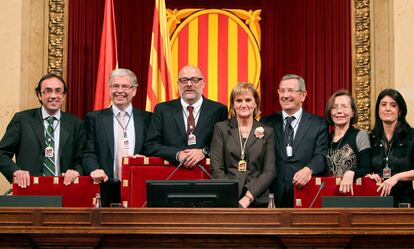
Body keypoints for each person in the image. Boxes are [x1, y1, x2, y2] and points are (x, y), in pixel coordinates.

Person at [0, 73, 85, 187]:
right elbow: (2, 153)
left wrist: (76, 171)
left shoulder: (76, 123)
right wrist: (15, 172)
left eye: (58, 91)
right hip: (29, 189)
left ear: (63, 95)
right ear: (39, 95)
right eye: (48, 91)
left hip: (65, 189)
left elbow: (82, 158)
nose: (53, 96)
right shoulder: (22, 120)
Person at [83, 68, 151, 207]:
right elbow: (88, 152)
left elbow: (153, 148)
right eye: (115, 86)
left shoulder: (148, 118)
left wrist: (145, 159)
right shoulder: (94, 118)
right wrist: (94, 169)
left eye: (125, 86)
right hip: (106, 187)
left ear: (134, 90)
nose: (119, 91)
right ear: (109, 89)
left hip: (138, 187)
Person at [261, 74, 328, 207]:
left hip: (304, 192)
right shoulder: (266, 123)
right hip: (272, 194)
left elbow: (321, 155)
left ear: (303, 95)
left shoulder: (318, 124)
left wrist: (309, 169)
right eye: (282, 91)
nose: (285, 95)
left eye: (290, 90)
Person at [144, 65, 228, 168]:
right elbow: (151, 145)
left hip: (207, 176)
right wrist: (177, 154)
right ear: (178, 84)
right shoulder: (162, 110)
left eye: (194, 80)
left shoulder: (218, 110)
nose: (189, 84)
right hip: (171, 176)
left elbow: (226, 144)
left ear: (203, 83)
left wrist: (204, 151)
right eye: (184, 80)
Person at [210, 82, 276, 208]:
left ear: (256, 103)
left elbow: (269, 171)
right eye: (239, 100)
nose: (243, 104)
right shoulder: (221, 128)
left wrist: (248, 196)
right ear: (233, 105)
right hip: (228, 199)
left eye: (248, 100)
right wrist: (232, 195)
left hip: (257, 198)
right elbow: (216, 168)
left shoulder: (267, 131)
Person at [368, 88, 414, 207]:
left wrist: (397, 177)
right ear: (378, 109)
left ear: (399, 111)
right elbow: (365, 168)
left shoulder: (411, 136)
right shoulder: (370, 138)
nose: (387, 108)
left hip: (404, 201)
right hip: (376, 201)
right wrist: (369, 176)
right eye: (383, 105)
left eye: (393, 105)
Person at [324, 90, 371, 195]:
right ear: (330, 112)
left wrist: (352, 173)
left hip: (353, 195)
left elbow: (367, 169)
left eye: (344, 107)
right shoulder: (325, 138)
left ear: (353, 112)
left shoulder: (361, 135)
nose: (339, 111)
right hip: (327, 194)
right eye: (334, 107)